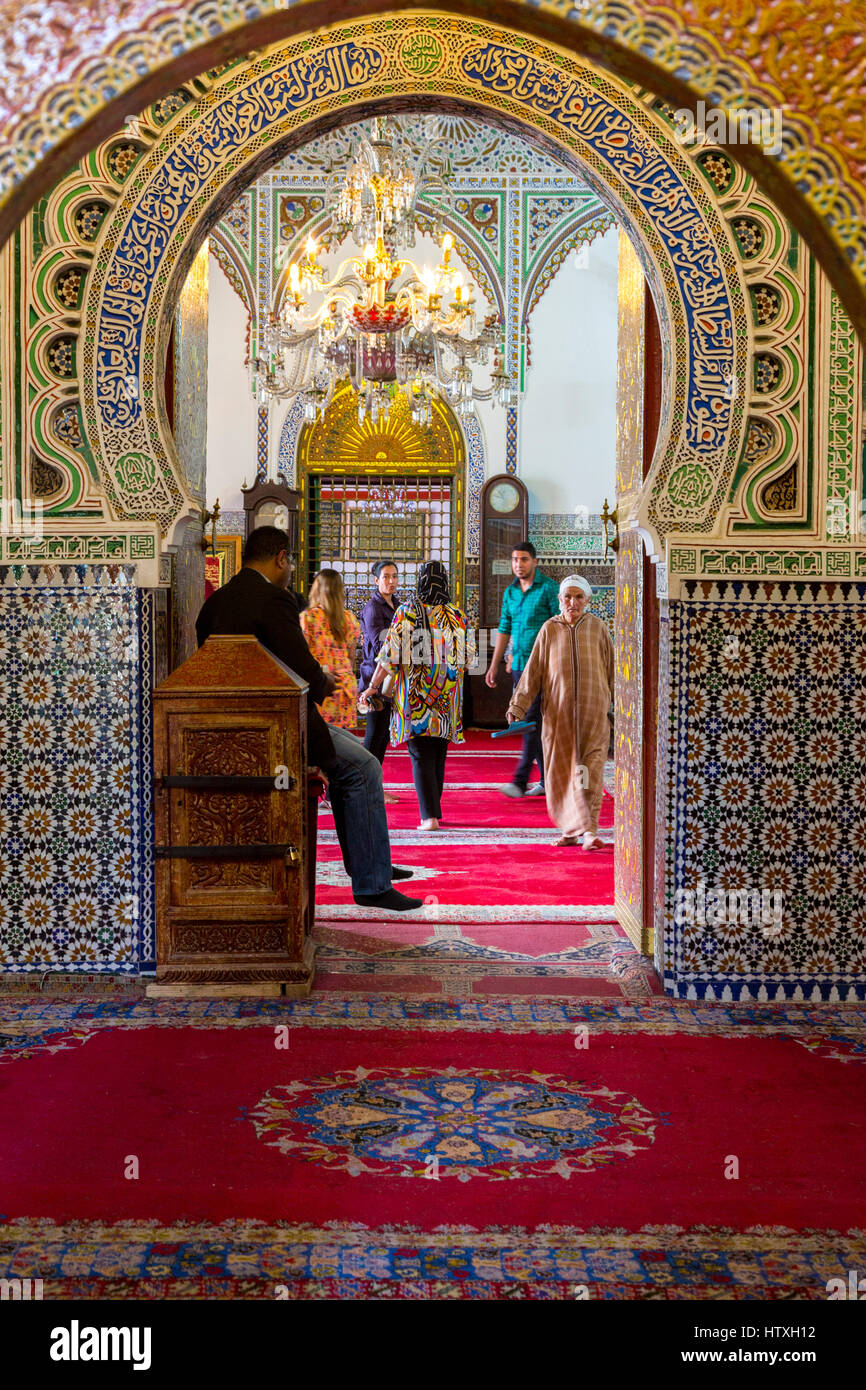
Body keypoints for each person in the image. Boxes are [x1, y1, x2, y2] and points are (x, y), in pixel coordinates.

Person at [195, 526, 422, 910]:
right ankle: (371, 883)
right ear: (281, 557)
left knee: (356, 754)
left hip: (234, 720)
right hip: (278, 724)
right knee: (364, 767)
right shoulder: (272, 599)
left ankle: (374, 866)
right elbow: (297, 664)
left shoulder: (216, 603)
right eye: (290, 562)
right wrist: (323, 680)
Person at [361, 560, 474, 831]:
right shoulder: (457, 614)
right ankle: (434, 810)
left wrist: (373, 687)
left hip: (416, 695)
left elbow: (389, 656)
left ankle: (429, 817)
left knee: (421, 753)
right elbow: (469, 659)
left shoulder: (408, 611)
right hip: (446, 696)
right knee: (437, 751)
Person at [506, 574, 614, 851]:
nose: (573, 602)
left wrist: (620, 711)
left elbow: (613, 671)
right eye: (568, 596)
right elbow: (533, 672)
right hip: (558, 720)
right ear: (559, 600)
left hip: (593, 718)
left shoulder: (598, 628)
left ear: (588, 600)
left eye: (579, 597)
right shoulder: (549, 629)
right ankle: (569, 829)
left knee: (589, 773)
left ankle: (589, 830)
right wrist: (518, 705)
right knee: (563, 775)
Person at [485, 539, 559, 799]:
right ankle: (548, 781)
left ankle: (519, 780)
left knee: (528, 722)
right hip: (518, 666)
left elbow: (559, 627)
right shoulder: (510, 593)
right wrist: (495, 664)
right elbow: (505, 629)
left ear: (534, 562)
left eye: (524, 559)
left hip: (543, 667)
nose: (519, 564)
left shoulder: (549, 589)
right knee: (533, 724)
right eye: (515, 560)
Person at [359, 560, 400, 802]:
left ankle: (373, 787)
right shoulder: (374, 608)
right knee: (373, 739)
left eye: (394, 576)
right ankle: (353, 790)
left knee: (381, 738)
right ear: (376, 580)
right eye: (386, 577)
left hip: (388, 681)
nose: (391, 581)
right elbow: (380, 646)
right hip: (374, 679)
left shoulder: (395, 605)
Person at [300, 568, 361, 730]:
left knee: (321, 742)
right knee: (343, 741)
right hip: (345, 686)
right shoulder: (349, 618)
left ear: (317, 589)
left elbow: (303, 656)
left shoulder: (308, 618)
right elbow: (351, 657)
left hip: (323, 686)